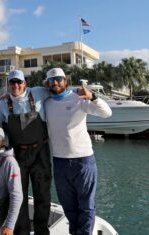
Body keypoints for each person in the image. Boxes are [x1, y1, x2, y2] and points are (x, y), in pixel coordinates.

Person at [44, 68, 112, 235]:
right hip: (59, 161)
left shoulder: (79, 98)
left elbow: (107, 113)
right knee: (68, 206)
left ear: (65, 80)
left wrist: (93, 97)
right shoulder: (46, 102)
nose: (55, 82)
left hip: (83, 161)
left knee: (86, 206)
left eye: (59, 79)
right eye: (52, 80)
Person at [0, 69, 51, 235]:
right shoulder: (3, 104)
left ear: (25, 83)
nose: (16, 85)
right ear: (8, 85)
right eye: (12, 83)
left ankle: (42, 231)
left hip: (41, 153)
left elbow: (58, 90)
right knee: (19, 195)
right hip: (18, 154)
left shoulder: (38, 92)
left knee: (43, 195)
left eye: (19, 82)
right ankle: (20, 231)